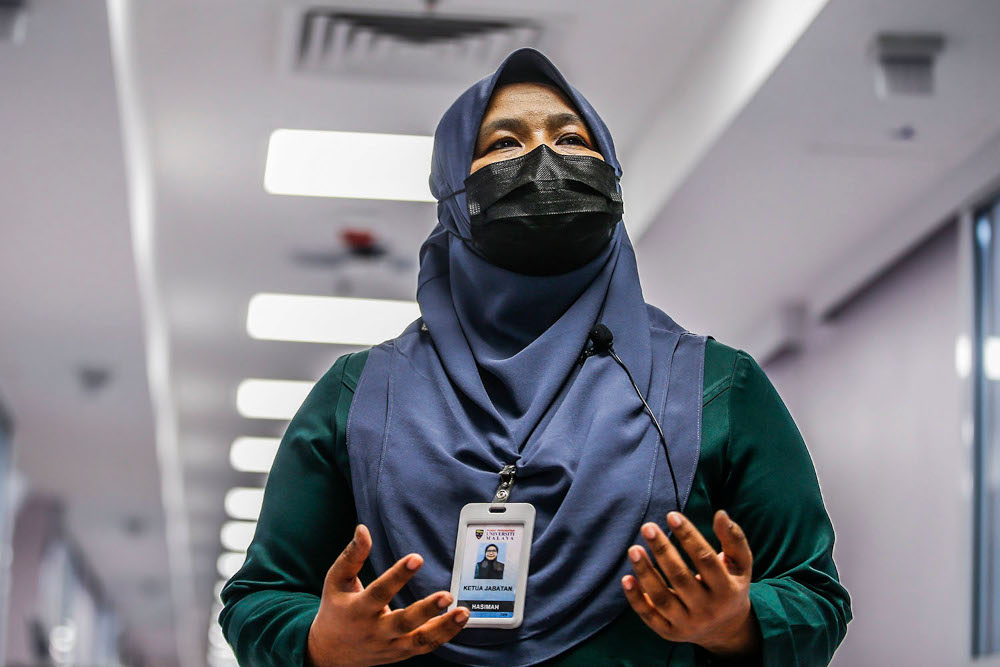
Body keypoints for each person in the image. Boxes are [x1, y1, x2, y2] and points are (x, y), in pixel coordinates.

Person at [219, 48, 851, 666]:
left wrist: (737, 624)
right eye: (503, 144)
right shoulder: (359, 395)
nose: (544, 157)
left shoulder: (714, 388)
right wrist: (321, 642)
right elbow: (259, 598)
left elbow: (815, 597)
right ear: (454, 198)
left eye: (573, 139)